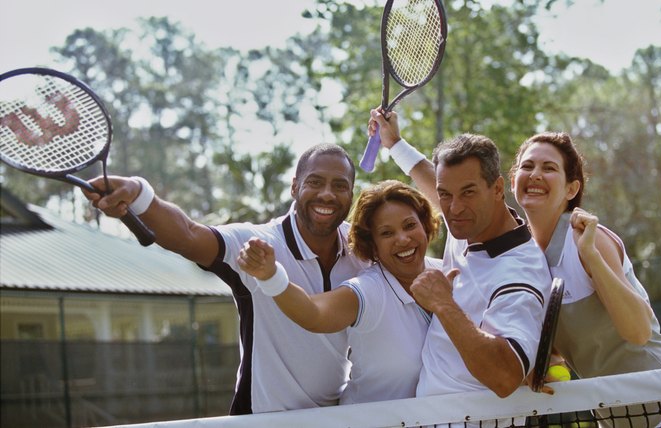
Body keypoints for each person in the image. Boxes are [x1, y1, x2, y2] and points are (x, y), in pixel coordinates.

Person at [83, 143, 369, 415]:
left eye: (340, 185)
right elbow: (188, 234)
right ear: (295, 186)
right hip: (262, 420)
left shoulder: (361, 250)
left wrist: (396, 145)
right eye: (315, 182)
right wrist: (139, 194)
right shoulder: (255, 241)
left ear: (351, 193)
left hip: (334, 418)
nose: (328, 194)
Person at [508, 131, 661, 427]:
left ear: (571, 189)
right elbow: (559, 351)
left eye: (549, 168)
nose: (535, 175)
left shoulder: (589, 240)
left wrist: (592, 258)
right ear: (512, 181)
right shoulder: (528, 264)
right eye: (527, 166)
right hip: (616, 416)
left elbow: (639, 332)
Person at [368, 110, 552, 407]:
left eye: (468, 193)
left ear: (497, 189)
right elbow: (435, 181)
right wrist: (394, 144)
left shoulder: (520, 274)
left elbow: (505, 377)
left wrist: (443, 304)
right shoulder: (468, 224)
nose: (453, 208)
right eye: (445, 195)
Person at [237, 180, 442, 404]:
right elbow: (313, 313)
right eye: (386, 233)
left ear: (425, 224)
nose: (403, 239)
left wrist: (395, 145)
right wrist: (271, 276)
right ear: (372, 245)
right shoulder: (369, 291)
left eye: (410, 225)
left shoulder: (451, 272)